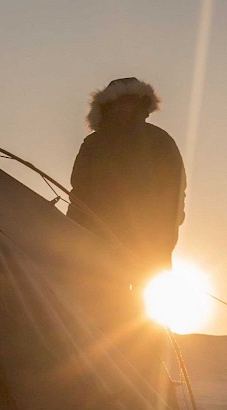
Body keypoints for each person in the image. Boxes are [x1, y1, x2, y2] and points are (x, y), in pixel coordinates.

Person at [68, 77, 186, 287]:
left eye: (130, 102)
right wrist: (73, 228)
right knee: (102, 294)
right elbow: (79, 190)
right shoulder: (94, 143)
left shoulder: (159, 139)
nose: (124, 107)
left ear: (140, 104)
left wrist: (166, 232)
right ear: (108, 106)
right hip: (100, 234)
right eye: (119, 103)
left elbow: (174, 189)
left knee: (145, 296)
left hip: (149, 237)